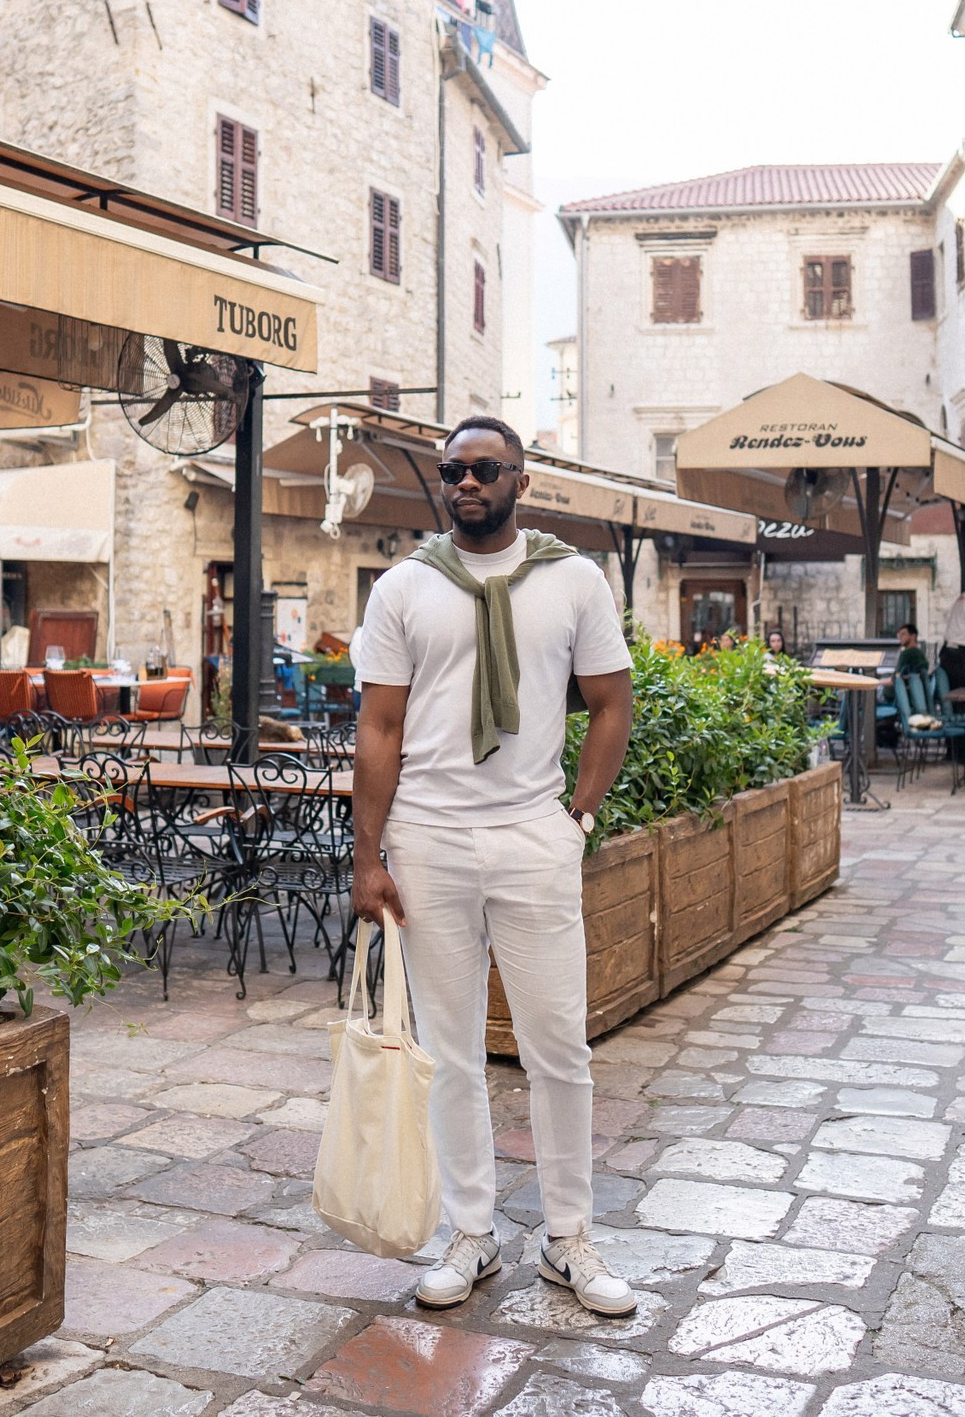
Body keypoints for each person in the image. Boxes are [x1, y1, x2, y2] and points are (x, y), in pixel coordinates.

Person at [349, 416, 640, 1318]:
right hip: (429, 839)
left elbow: (612, 702)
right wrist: (367, 854)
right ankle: (470, 1232)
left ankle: (568, 1237)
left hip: (531, 835)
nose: (465, 482)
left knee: (559, 1047)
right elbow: (379, 726)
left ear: (521, 478)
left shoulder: (573, 579)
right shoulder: (405, 585)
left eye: (483, 468)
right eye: (452, 470)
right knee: (450, 1052)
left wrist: (577, 817)